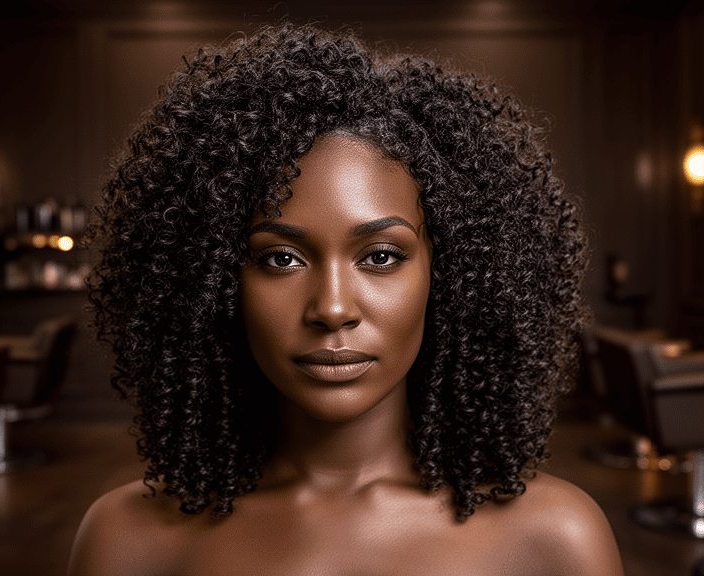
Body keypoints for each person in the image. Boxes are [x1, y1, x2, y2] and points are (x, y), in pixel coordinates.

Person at [69, 22, 623, 576]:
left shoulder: (555, 540)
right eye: (280, 258)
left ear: (448, 273)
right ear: (209, 283)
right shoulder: (127, 542)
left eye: (380, 256)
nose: (332, 309)